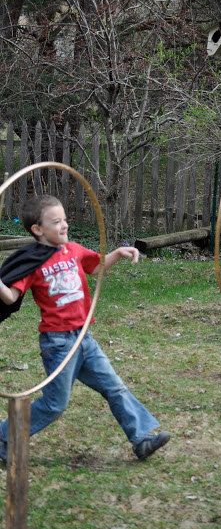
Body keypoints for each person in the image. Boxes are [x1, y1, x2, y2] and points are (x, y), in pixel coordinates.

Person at [0, 194, 170, 464]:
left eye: (65, 219)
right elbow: (10, 296)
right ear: (37, 229)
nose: (65, 225)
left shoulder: (74, 250)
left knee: (115, 388)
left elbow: (97, 266)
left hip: (84, 339)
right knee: (55, 405)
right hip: (58, 344)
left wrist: (117, 253)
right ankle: (3, 436)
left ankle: (141, 439)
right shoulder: (32, 262)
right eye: (56, 222)